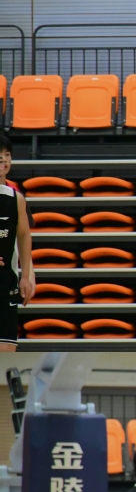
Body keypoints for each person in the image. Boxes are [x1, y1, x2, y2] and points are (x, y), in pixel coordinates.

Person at [0, 134, 35, 351]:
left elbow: (23, 235)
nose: (3, 159)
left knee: (6, 350)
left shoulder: (16, 198)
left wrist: (27, 274)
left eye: (7, 155)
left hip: (6, 283)